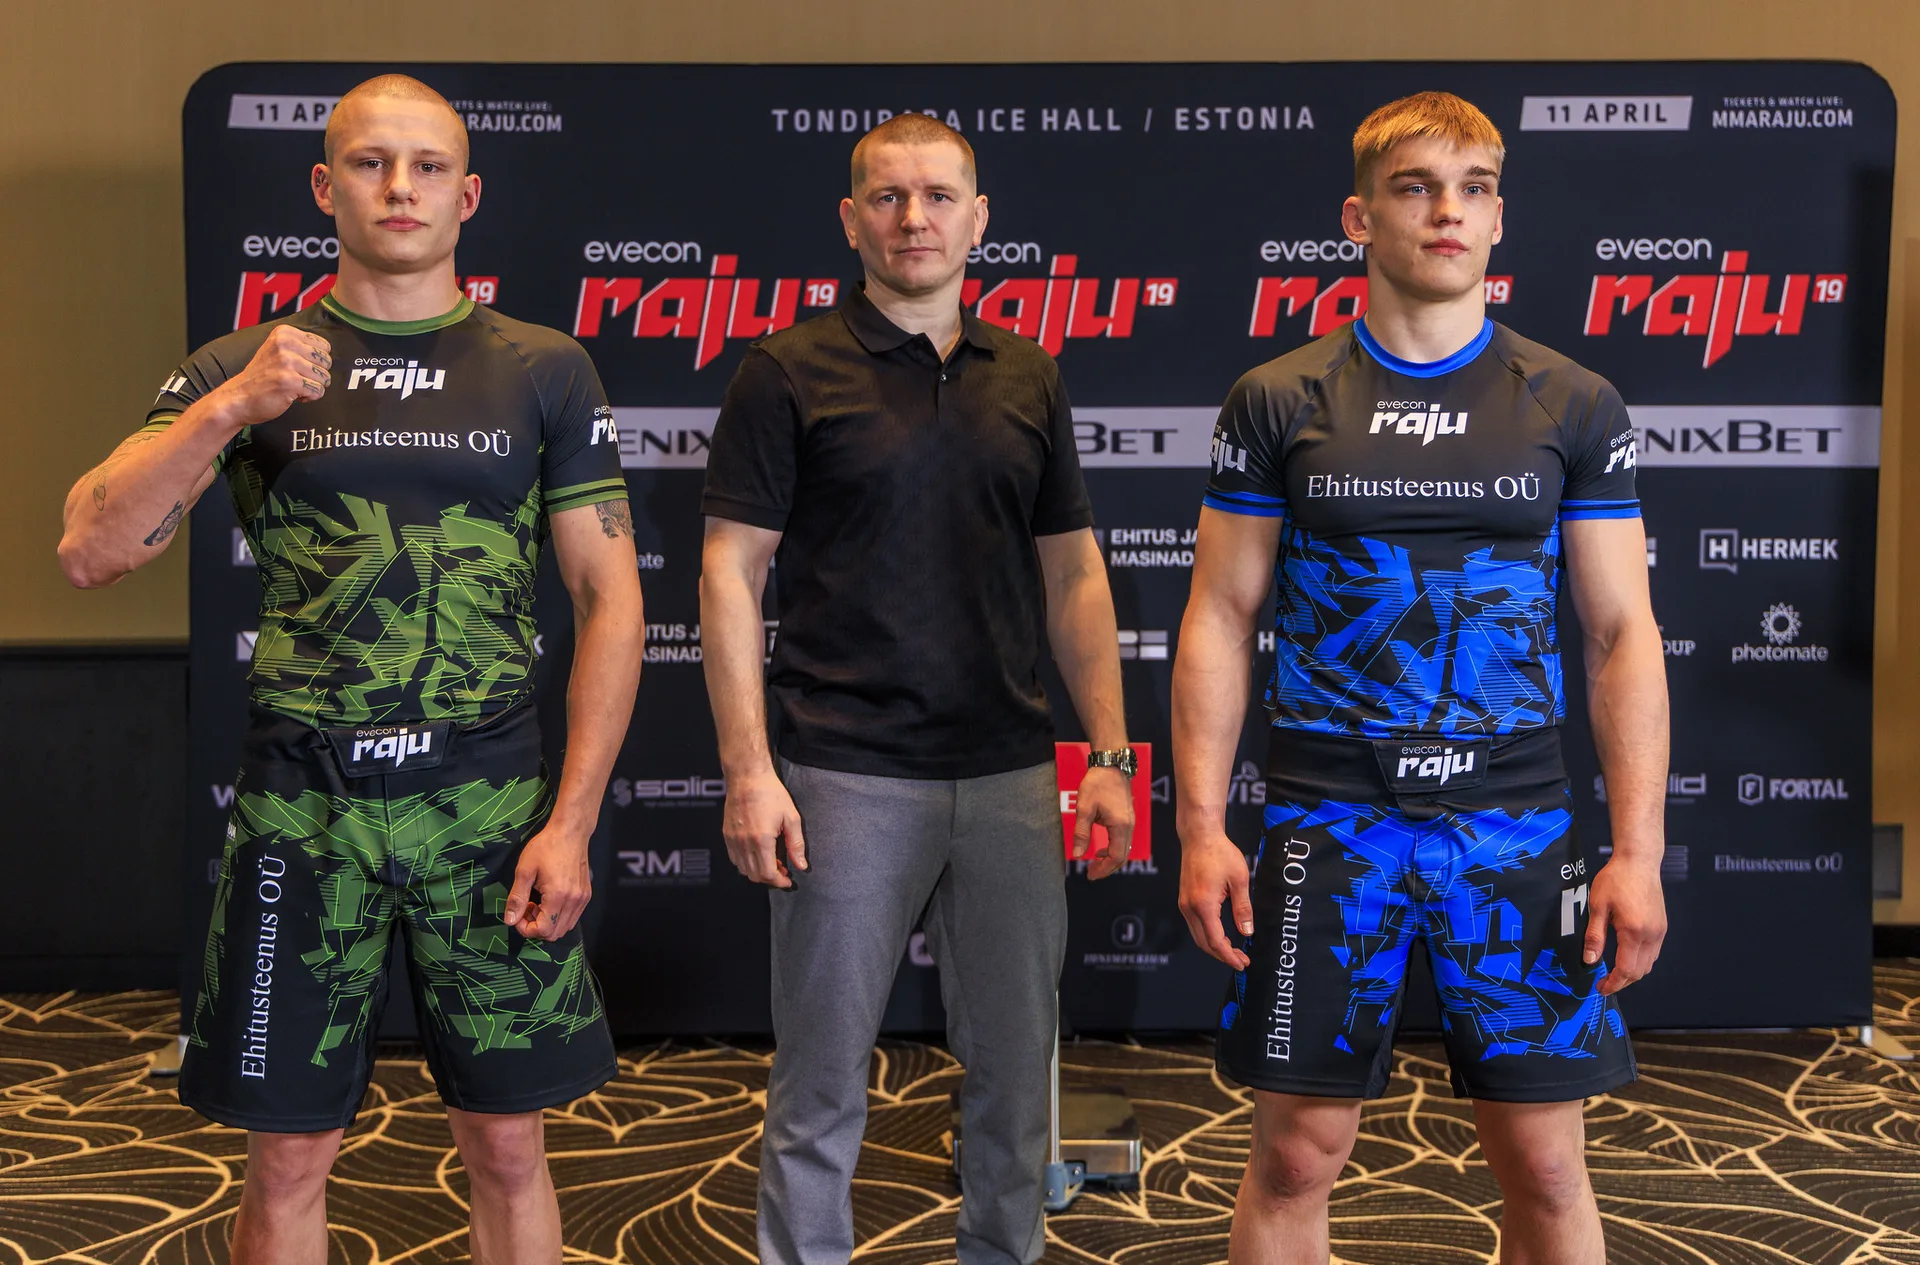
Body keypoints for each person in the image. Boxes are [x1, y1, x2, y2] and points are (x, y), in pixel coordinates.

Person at [58, 75, 643, 1265]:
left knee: (508, 1144)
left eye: (428, 167)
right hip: (303, 805)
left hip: (488, 805)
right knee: (285, 1156)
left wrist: (572, 821)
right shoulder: (243, 364)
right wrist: (234, 405)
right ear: (325, 188)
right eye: (372, 164)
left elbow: (611, 599)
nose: (400, 188)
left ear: (467, 195)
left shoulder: (543, 366)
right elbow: (90, 547)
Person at [1172, 91, 1669, 1265]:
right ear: (1359, 217)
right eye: (1416, 187)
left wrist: (1639, 851)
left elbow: (1621, 634)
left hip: (1516, 823)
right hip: (1327, 821)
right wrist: (1199, 825)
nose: (1449, 211)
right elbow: (1220, 617)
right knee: (1296, 1154)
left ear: (1499, 219)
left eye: (1474, 188)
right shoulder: (1278, 397)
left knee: (1546, 1162)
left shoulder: (1572, 399)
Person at [699, 112, 1135, 1265]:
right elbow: (730, 573)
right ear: (851, 220)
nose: (914, 218)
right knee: (820, 1086)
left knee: (1015, 1083)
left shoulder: (1028, 373)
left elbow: (1074, 573)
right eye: (888, 197)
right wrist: (749, 769)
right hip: (842, 775)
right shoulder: (786, 371)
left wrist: (1109, 754)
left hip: (1009, 777)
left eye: (939, 196)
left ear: (978, 219)